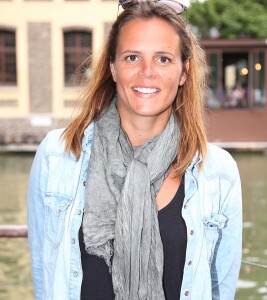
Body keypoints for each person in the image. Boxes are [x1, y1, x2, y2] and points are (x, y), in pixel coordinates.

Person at [27, 1, 242, 299]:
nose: (147, 72)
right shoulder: (57, 157)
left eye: (164, 59)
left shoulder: (218, 173)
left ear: (184, 71)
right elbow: (44, 278)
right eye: (132, 57)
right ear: (113, 68)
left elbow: (219, 289)